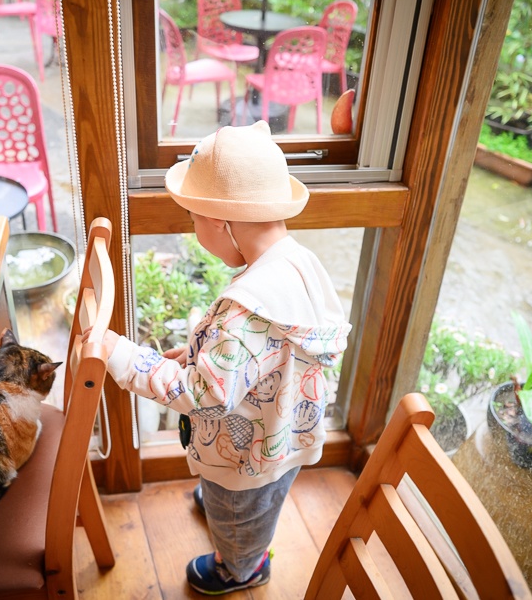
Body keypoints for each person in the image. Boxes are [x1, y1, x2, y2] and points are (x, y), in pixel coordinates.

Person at [97, 121, 351, 595]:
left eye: (192, 219)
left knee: (243, 517)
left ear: (219, 222)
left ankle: (242, 566)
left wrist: (124, 355)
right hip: (282, 428)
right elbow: (261, 356)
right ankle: (230, 510)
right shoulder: (295, 262)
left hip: (244, 455)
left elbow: (205, 395)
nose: (194, 230)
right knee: (254, 501)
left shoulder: (244, 311)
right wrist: (199, 353)